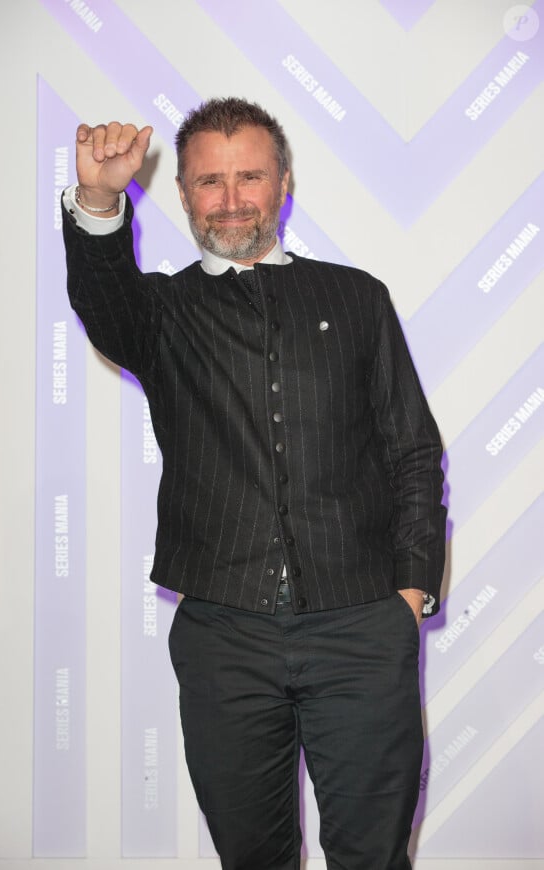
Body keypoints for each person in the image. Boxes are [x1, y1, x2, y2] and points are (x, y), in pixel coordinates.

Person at [62, 97, 446, 870]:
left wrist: (408, 594)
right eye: (210, 181)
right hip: (224, 636)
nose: (231, 199)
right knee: (253, 858)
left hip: (362, 629)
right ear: (183, 195)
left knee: (373, 856)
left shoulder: (357, 297)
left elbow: (411, 451)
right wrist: (100, 200)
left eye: (249, 177)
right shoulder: (161, 312)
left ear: (283, 183)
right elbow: (102, 301)